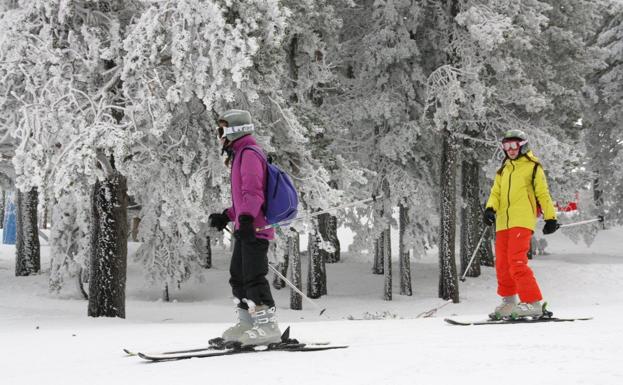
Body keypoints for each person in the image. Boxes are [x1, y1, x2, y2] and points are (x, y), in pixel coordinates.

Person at [208, 109, 281, 345]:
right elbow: (243, 198)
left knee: (253, 277)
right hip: (246, 226)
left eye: (222, 128)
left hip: (255, 228)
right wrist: (228, 215)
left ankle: (268, 326)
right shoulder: (240, 153)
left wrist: (248, 219)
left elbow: (253, 193)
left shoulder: (249, 154)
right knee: (238, 277)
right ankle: (247, 323)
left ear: (235, 130)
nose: (219, 134)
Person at [484, 129, 559, 319]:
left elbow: (543, 193)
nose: (509, 149)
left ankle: (533, 303)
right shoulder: (503, 169)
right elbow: (496, 193)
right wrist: (490, 209)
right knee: (502, 263)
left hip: (522, 220)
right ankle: (509, 303)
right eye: (506, 145)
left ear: (523, 145)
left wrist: (551, 218)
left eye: (514, 145)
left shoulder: (533, 167)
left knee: (517, 261)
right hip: (503, 222)